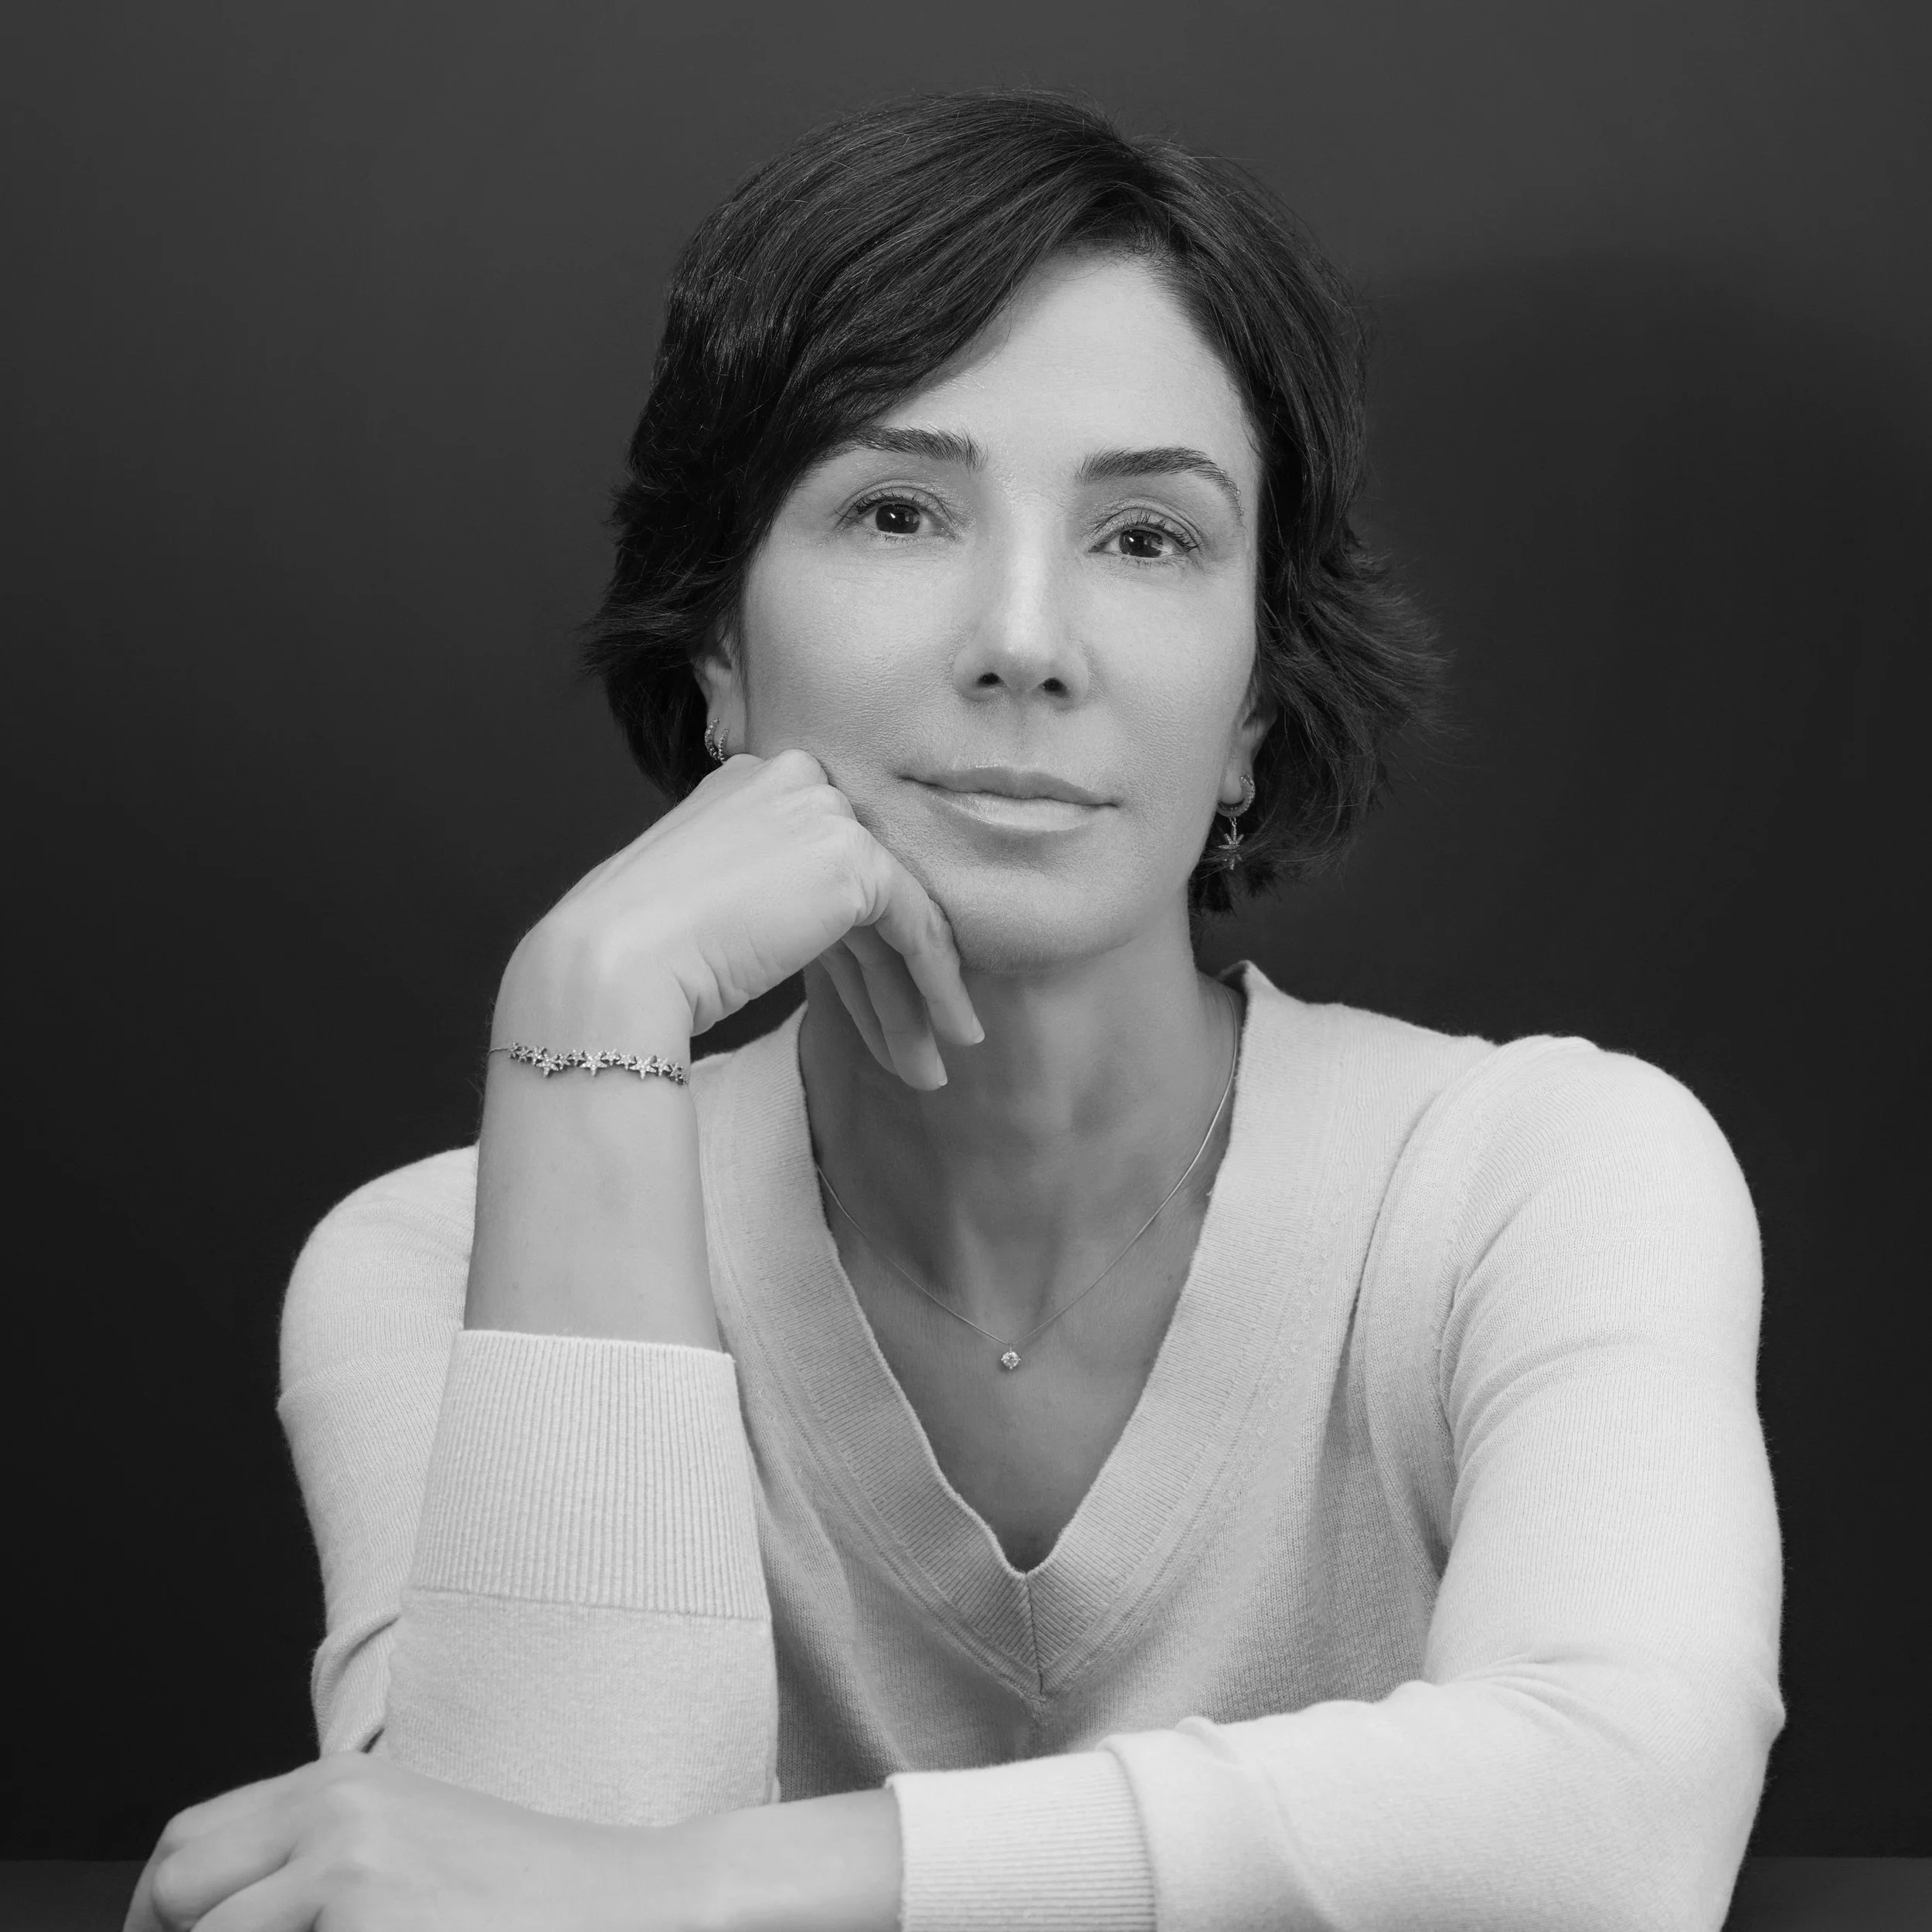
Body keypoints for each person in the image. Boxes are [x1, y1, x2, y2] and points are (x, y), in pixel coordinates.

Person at [128, 90, 1783, 1932]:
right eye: (896, 508)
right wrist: (584, 1020)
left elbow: (1614, 1820)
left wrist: (738, 1879)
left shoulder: (1533, 1175)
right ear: (720, 655)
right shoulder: (435, 1257)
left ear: (1253, 699)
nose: (1024, 634)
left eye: (1147, 538)